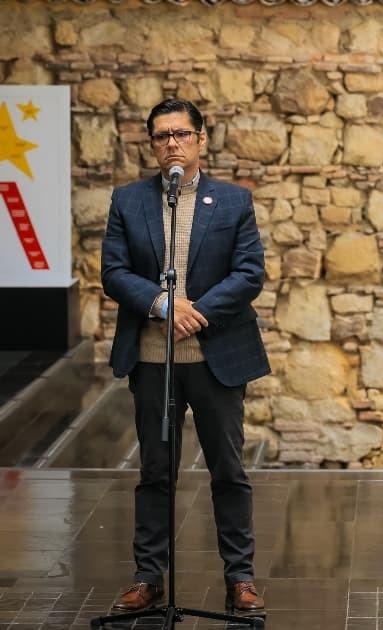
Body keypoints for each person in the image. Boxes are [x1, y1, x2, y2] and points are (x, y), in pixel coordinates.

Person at [101, 98, 270, 614]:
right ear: (152, 144)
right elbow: (114, 272)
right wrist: (161, 304)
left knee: (228, 469)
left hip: (216, 357)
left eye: (180, 134)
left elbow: (249, 272)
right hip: (154, 359)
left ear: (201, 139)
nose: (171, 143)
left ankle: (240, 577)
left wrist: (194, 312)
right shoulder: (128, 200)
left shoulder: (234, 201)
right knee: (156, 471)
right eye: (161, 136)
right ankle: (148, 576)